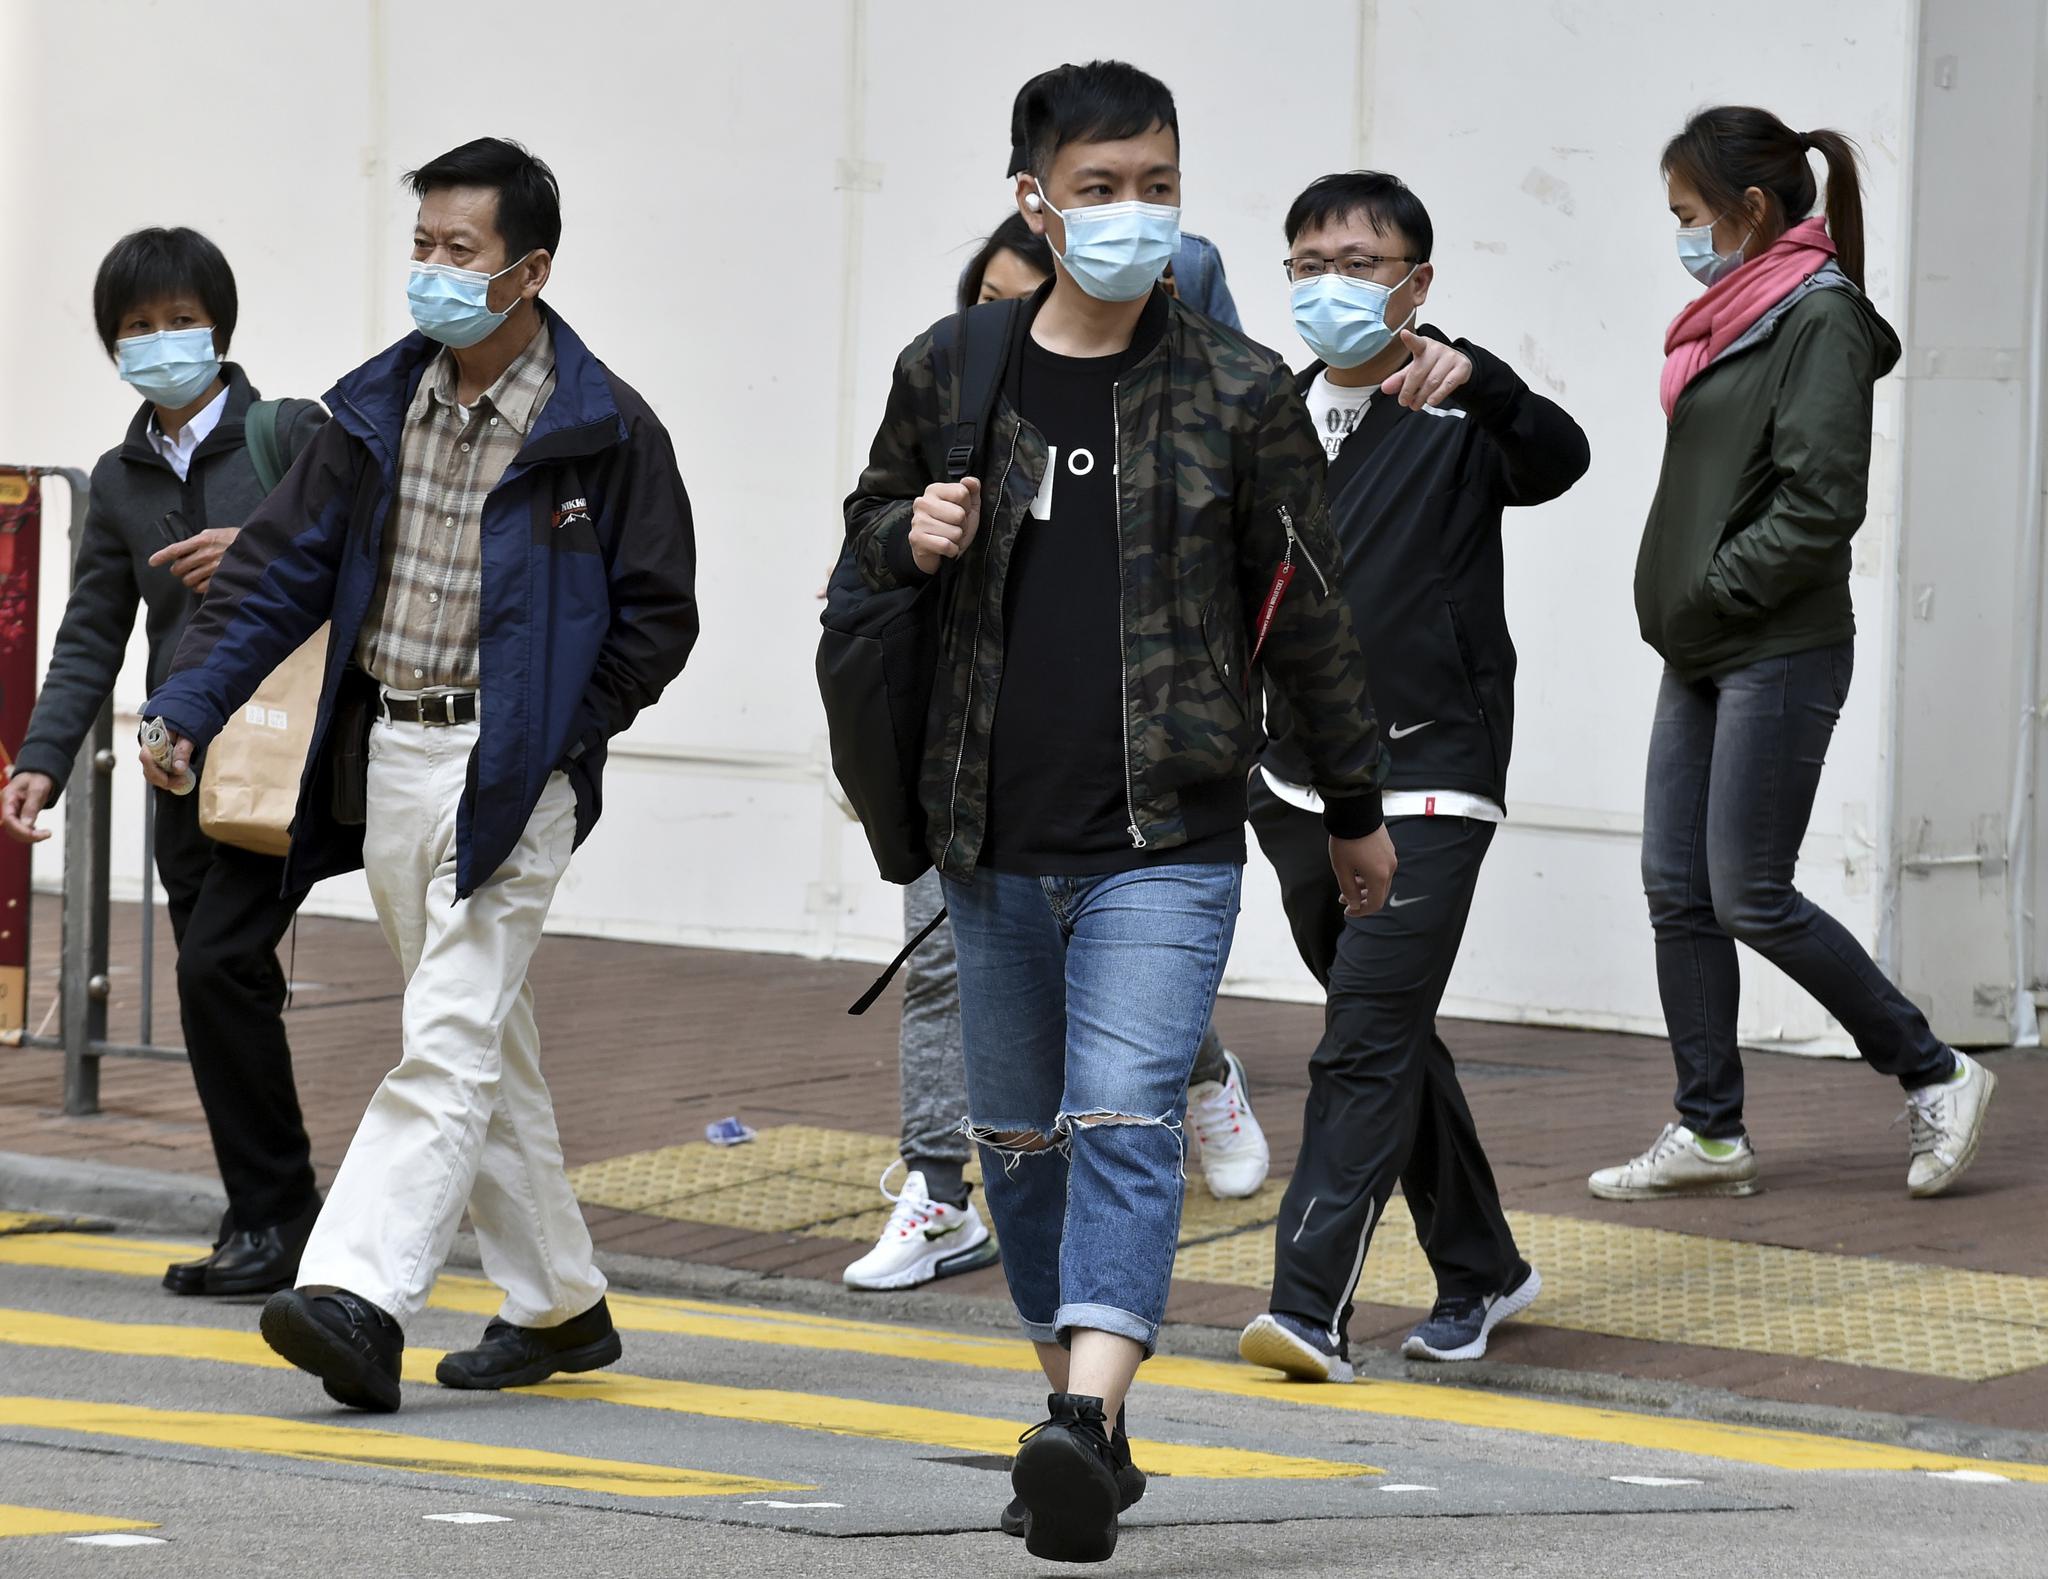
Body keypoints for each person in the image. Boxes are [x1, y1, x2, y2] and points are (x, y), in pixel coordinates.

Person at [845, 61, 1394, 1562]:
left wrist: (1354, 803)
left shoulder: (1236, 389)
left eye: (1156, 182)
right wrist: (913, 528)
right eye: (1101, 189)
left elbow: (1311, 618)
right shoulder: (956, 367)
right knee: (1016, 1139)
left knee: (1124, 1113)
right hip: (991, 832)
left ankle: (1085, 1416)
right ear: (1033, 196)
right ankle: (1071, 1419)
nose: (1134, 213)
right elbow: (860, 545)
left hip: (1167, 832)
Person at [139, 138, 700, 1412]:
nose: (433, 273)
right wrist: (186, 706)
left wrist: (562, 731)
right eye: (422, 248)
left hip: (514, 772)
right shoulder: (373, 409)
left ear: (529, 270)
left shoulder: (604, 431)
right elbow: (278, 574)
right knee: (483, 1030)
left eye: (461, 251)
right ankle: (559, 1304)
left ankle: (357, 1291)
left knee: (445, 1032)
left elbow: (658, 616)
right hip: (393, 751)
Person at [846, 207, 1265, 1295]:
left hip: (1149, 811)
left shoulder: (1210, 409)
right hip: (967, 780)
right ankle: (939, 1187)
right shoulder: (949, 395)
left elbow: (1290, 612)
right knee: (951, 998)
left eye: (1015, 299)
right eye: (981, 299)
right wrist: (904, 540)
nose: (1000, 321)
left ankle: (1198, 1077)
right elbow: (868, 532)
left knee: (1119, 1076)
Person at [1592, 107, 1995, 1203]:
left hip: (1773, 641)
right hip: (1704, 644)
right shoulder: (1733, 315)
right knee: (1675, 885)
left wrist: (1713, 590)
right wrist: (1687, 607)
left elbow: (1820, 505)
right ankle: (1708, 1127)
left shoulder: (1816, 320)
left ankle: (1935, 1069)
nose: (1677, 234)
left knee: (1748, 892)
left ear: (1751, 211)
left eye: (1687, 215)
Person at [1235, 173, 1588, 1385]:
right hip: (1291, 784)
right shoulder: (1259, 416)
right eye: (1307, 265)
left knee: (1361, 1037)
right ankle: (1481, 1265)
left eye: (1360, 263)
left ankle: (1305, 1304)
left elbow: (1557, 455)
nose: (1330, 285)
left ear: (1417, 283)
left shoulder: (1454, 408)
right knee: (1391, 1033)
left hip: (1431, 769)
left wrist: (1481, 378)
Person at [2, 228, 327, 1299]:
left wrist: (260, 548)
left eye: (177, 319)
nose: (159, 342)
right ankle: (265, 1214)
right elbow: (93, 630)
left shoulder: (292, 437)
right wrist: (43, 757)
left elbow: (354, 556)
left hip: (280, 755)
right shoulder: (120, 475)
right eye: (135, 329)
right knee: (220, 989)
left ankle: (282, 1217)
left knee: (214, 969)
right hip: (177, 766)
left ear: (219, 325)